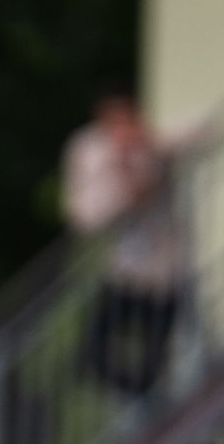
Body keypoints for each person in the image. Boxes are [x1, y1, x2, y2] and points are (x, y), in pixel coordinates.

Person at [64, 92, 187, 397]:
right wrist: (113, 172)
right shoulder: (106, 160)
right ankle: (136, 396)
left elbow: (147, 187)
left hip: (163, 278)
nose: (119, 135)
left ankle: (149, 404)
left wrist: (142, 145)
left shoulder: (154, 149)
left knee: (154, 361)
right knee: (91, 354)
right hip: (127, 275)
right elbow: (86, 217)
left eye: (123, 124)